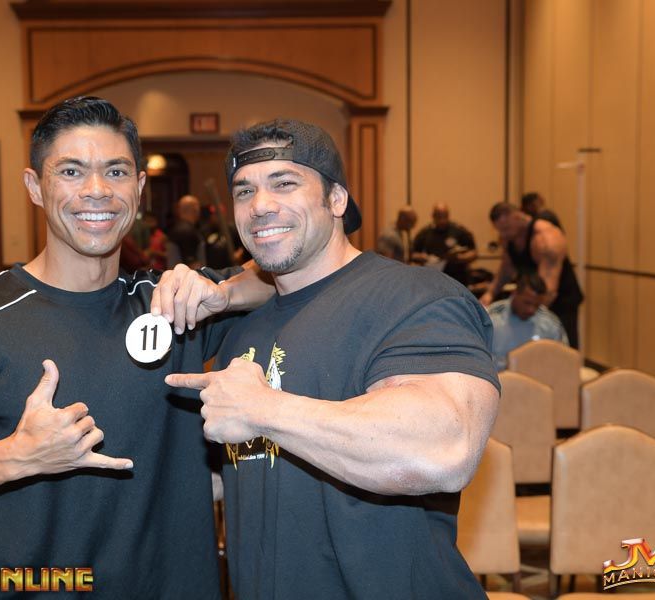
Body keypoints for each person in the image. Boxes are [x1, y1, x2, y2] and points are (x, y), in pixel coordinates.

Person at [0, 97, 274, 599]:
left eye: (116, 171)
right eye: (71, 171)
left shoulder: (172, 304)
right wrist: (14, 458)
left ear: (138, 189)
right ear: (35, 187)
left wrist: (221, 294)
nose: (97, 190)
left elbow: (277, 275)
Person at [167, 119, 500, 599]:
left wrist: (264, 410)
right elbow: (255, 474)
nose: (260, 205)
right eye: (244, 191)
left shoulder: (415, 297)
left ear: (337, 200)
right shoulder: (243, 325)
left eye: (284, 183)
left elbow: (445, 447)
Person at [481, 202, 582, 348]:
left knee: (558, 350)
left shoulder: (546, 238)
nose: (503, 235)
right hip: (531, 299)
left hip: (558, 300)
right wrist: (490, 294)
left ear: (518, 217)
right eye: (500, 230)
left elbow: (548, 290)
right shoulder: (510, 237)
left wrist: (529, 311)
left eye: (506, 229)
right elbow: (507, 268)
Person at [487, 272, 569, 370]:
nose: (531, 310)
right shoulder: (490, 318)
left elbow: (564, 360)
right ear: (514, 293)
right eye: (527, 303)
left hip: (537, 377)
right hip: (497, 377)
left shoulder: (550, 324)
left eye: (537, 305)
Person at [411, 203, 477, 285]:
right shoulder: (425, 232)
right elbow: (412, 254)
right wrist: (423, 257)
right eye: (439, 217)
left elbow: (473, 252)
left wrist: (460, 258)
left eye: (445, 216)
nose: (442, 220)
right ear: (433, 216)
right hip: (433, 279)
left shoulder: (459, 230)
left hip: (457, 279)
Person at [167, 194, 204, 268]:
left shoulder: (177, 228)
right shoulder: (187, 231)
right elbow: (193, 264)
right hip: (187, 274)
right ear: (195, 209)